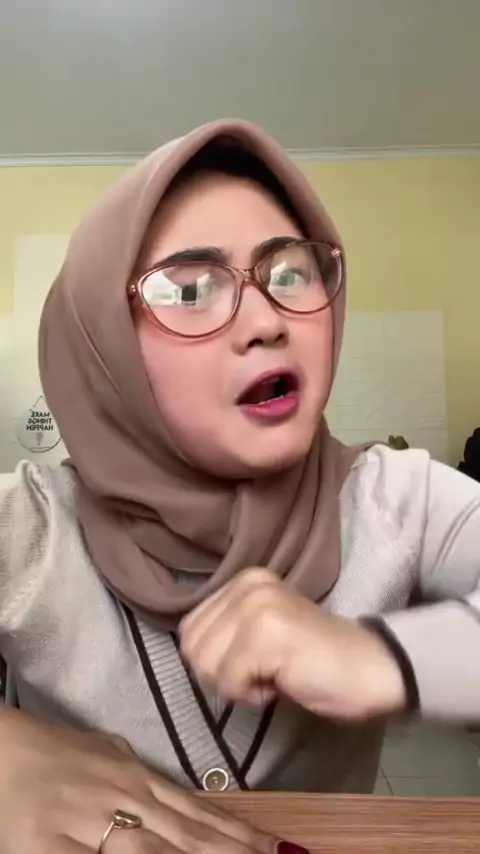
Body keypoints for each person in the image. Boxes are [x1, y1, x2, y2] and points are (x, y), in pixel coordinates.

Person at [1, 119, 480, 853]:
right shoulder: (27, 527)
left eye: (289, 273)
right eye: (190, 288)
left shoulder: (397, 502)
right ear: (104, 346)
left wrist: (378, 657)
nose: (266, 321)